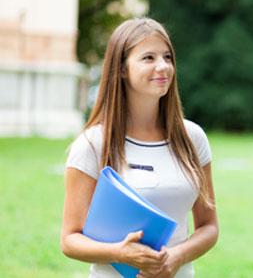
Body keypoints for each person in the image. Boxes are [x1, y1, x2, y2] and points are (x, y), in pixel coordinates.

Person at [60, 18, 218, 278]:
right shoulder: (92, 144)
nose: (163, 66)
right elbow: (69, 239)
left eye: (167, 57)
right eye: (149, 58)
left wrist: (177, 256)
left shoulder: (193, 138)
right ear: (121, 69)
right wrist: (119, 253)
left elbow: (209, 227)